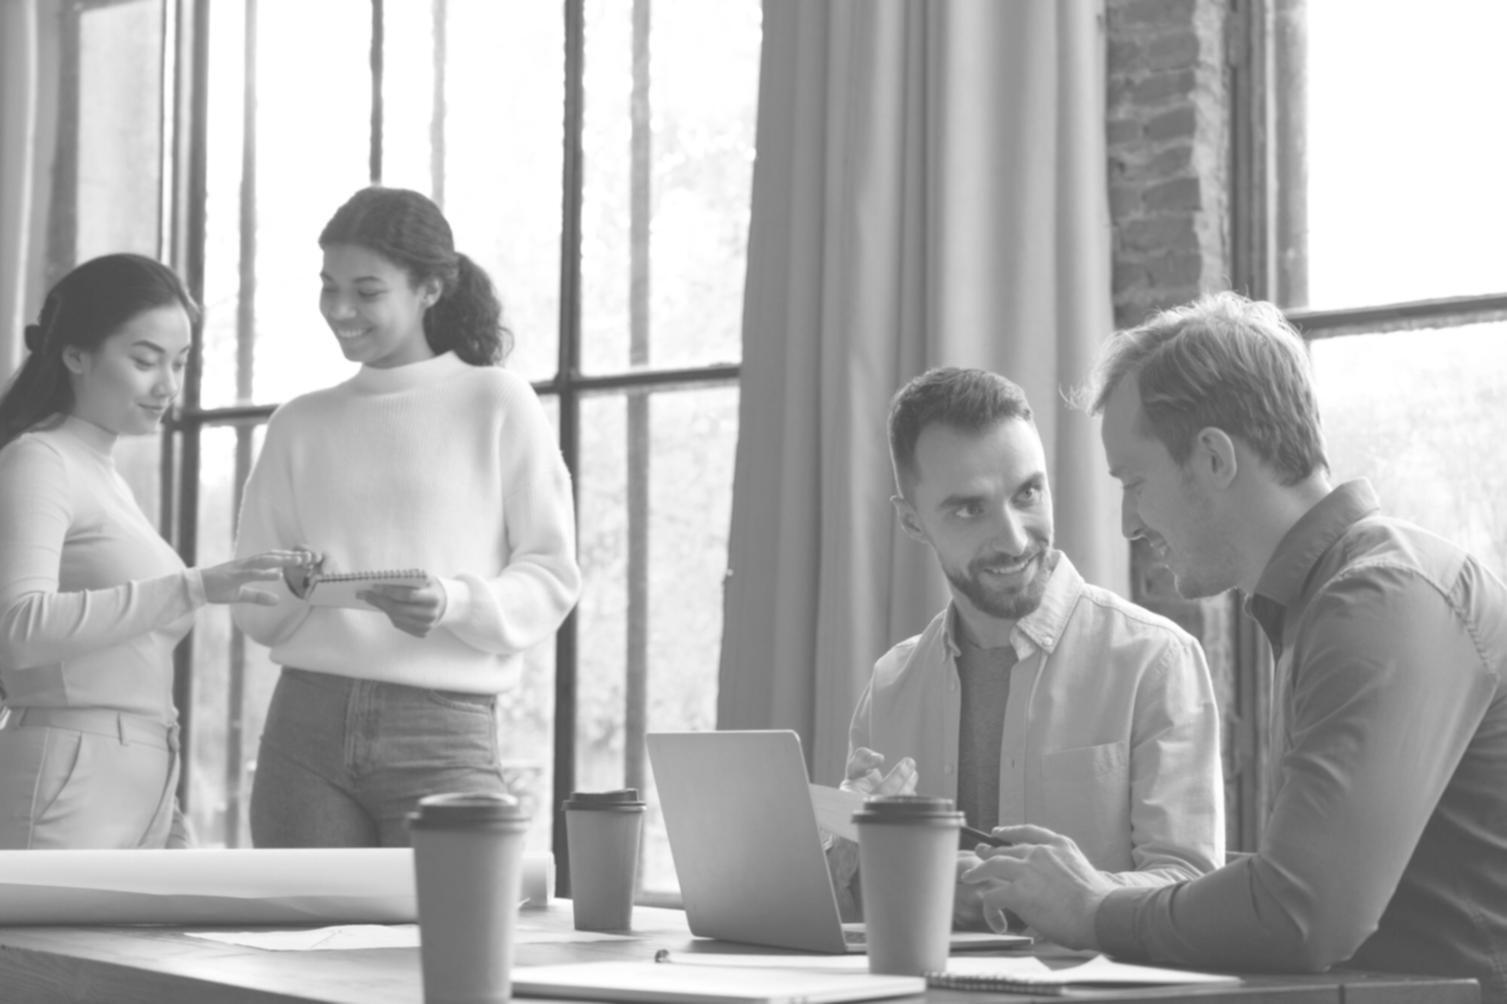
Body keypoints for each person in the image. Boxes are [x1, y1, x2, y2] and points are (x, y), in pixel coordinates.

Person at [964, 292, 1507, 1001]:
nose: (1127, 523)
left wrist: (1091, 908)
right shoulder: (1334, 596)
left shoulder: (1378, 598)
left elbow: (1298, 913)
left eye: (1134, 482)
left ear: (1214, 457)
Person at [232, 186, 581, 847]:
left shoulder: (495, 401)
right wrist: (295, 585)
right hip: (304, 730)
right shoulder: (298, 424)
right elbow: (252, 598)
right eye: (328, 286)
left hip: (443, 732)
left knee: (453, 945)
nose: (339, 309)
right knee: (302, 952)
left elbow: (550, 575)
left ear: (429, 288)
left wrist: (451, 602)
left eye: (366, 291)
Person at [829, 366, 1224, 929]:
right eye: (969, 509)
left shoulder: (1156, 662)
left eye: (1028, 493)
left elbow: (1188, 888)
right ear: (912, 522)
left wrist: (1011, 893)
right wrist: (848, 846)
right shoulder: (890, 685)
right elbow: (855, 916)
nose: (1014, 538)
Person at [0, 253, 311, 849]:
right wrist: (194, 587)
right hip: (71, 777)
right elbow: (19, 627)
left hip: (138, 778)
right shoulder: (39, 460)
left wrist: (165, 811)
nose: (167, 385)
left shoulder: (104, 475)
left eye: (180, 362)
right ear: (75, 355)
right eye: (145, 360)